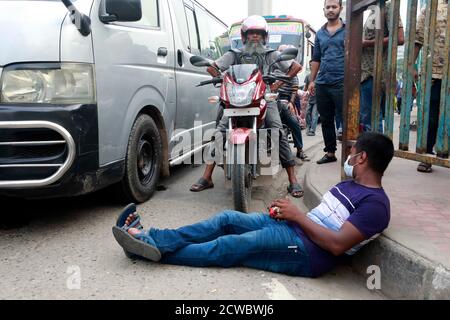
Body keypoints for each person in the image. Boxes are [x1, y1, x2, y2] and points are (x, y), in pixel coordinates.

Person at [112, 132, 395, 278]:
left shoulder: (376, 205)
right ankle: (154, 240)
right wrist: (286, 212)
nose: (348, 157)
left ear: (362, 159)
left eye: (353, 153)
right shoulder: (349, 185)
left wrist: (296, 216)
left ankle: (147, 248)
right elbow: (320, 220)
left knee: (231, 247)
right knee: (226, 220)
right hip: (295, 230)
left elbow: (336, 245)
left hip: (307, 253)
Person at [189, 15, 304, 197]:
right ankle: (207, 176)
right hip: (236, 100)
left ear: (264, 36)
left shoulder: (271, 54)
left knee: (277, 130)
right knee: (219, 132)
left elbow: (296, 67)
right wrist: (220, 79)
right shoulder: (234, 54)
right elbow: (213, 67)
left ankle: (293, 180)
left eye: (258, 33)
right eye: (251, 33)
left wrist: (277, 85)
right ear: (244, 36)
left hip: (265, 98)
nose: (255, 37)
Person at [308, 0, 346, 165]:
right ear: (323, 10)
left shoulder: (349, 30)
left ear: (340, 9)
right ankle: (330, 153)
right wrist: (312, 81)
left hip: (342, 81)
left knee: (346, 117)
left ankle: (350, 154)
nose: (331, 10)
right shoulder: (320, 33)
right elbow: (316, 58)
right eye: (328, 7)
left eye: (334, 7)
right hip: (322, 82)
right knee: (326, 119)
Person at [360, 0, 405, 132]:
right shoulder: (375, 9)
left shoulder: (388, 5)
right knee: (368, 118)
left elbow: (399, 38)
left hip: (374, 73)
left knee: (371, 120)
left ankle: (376, 152)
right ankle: (374, 150)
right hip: (366, 73)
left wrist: (365, 43)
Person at [415, 0, 448, 173]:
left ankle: (444, 151)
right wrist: (410, 66)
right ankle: (427, 155)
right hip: (434, 73)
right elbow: (417, 39)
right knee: (431, 116)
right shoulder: (430, 9)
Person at [276, 44, 308, 160]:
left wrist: (291, 102)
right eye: (279, 53)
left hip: (285, 100)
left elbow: (294, 89)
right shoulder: (273, 68)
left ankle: (300, 149)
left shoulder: (292, 70)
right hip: (270, 99)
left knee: (294, 123)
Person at [304, 60, 319, 136]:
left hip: (318, 99)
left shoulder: (319, 76)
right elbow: (305, 88)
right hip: (310, 99)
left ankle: (312, 130)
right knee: (307, 113)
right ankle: (309, 127)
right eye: (310, 65)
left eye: (312, 65)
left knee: (314, 114)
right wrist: (304, 95)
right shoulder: (308, 76)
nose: (311, 67)